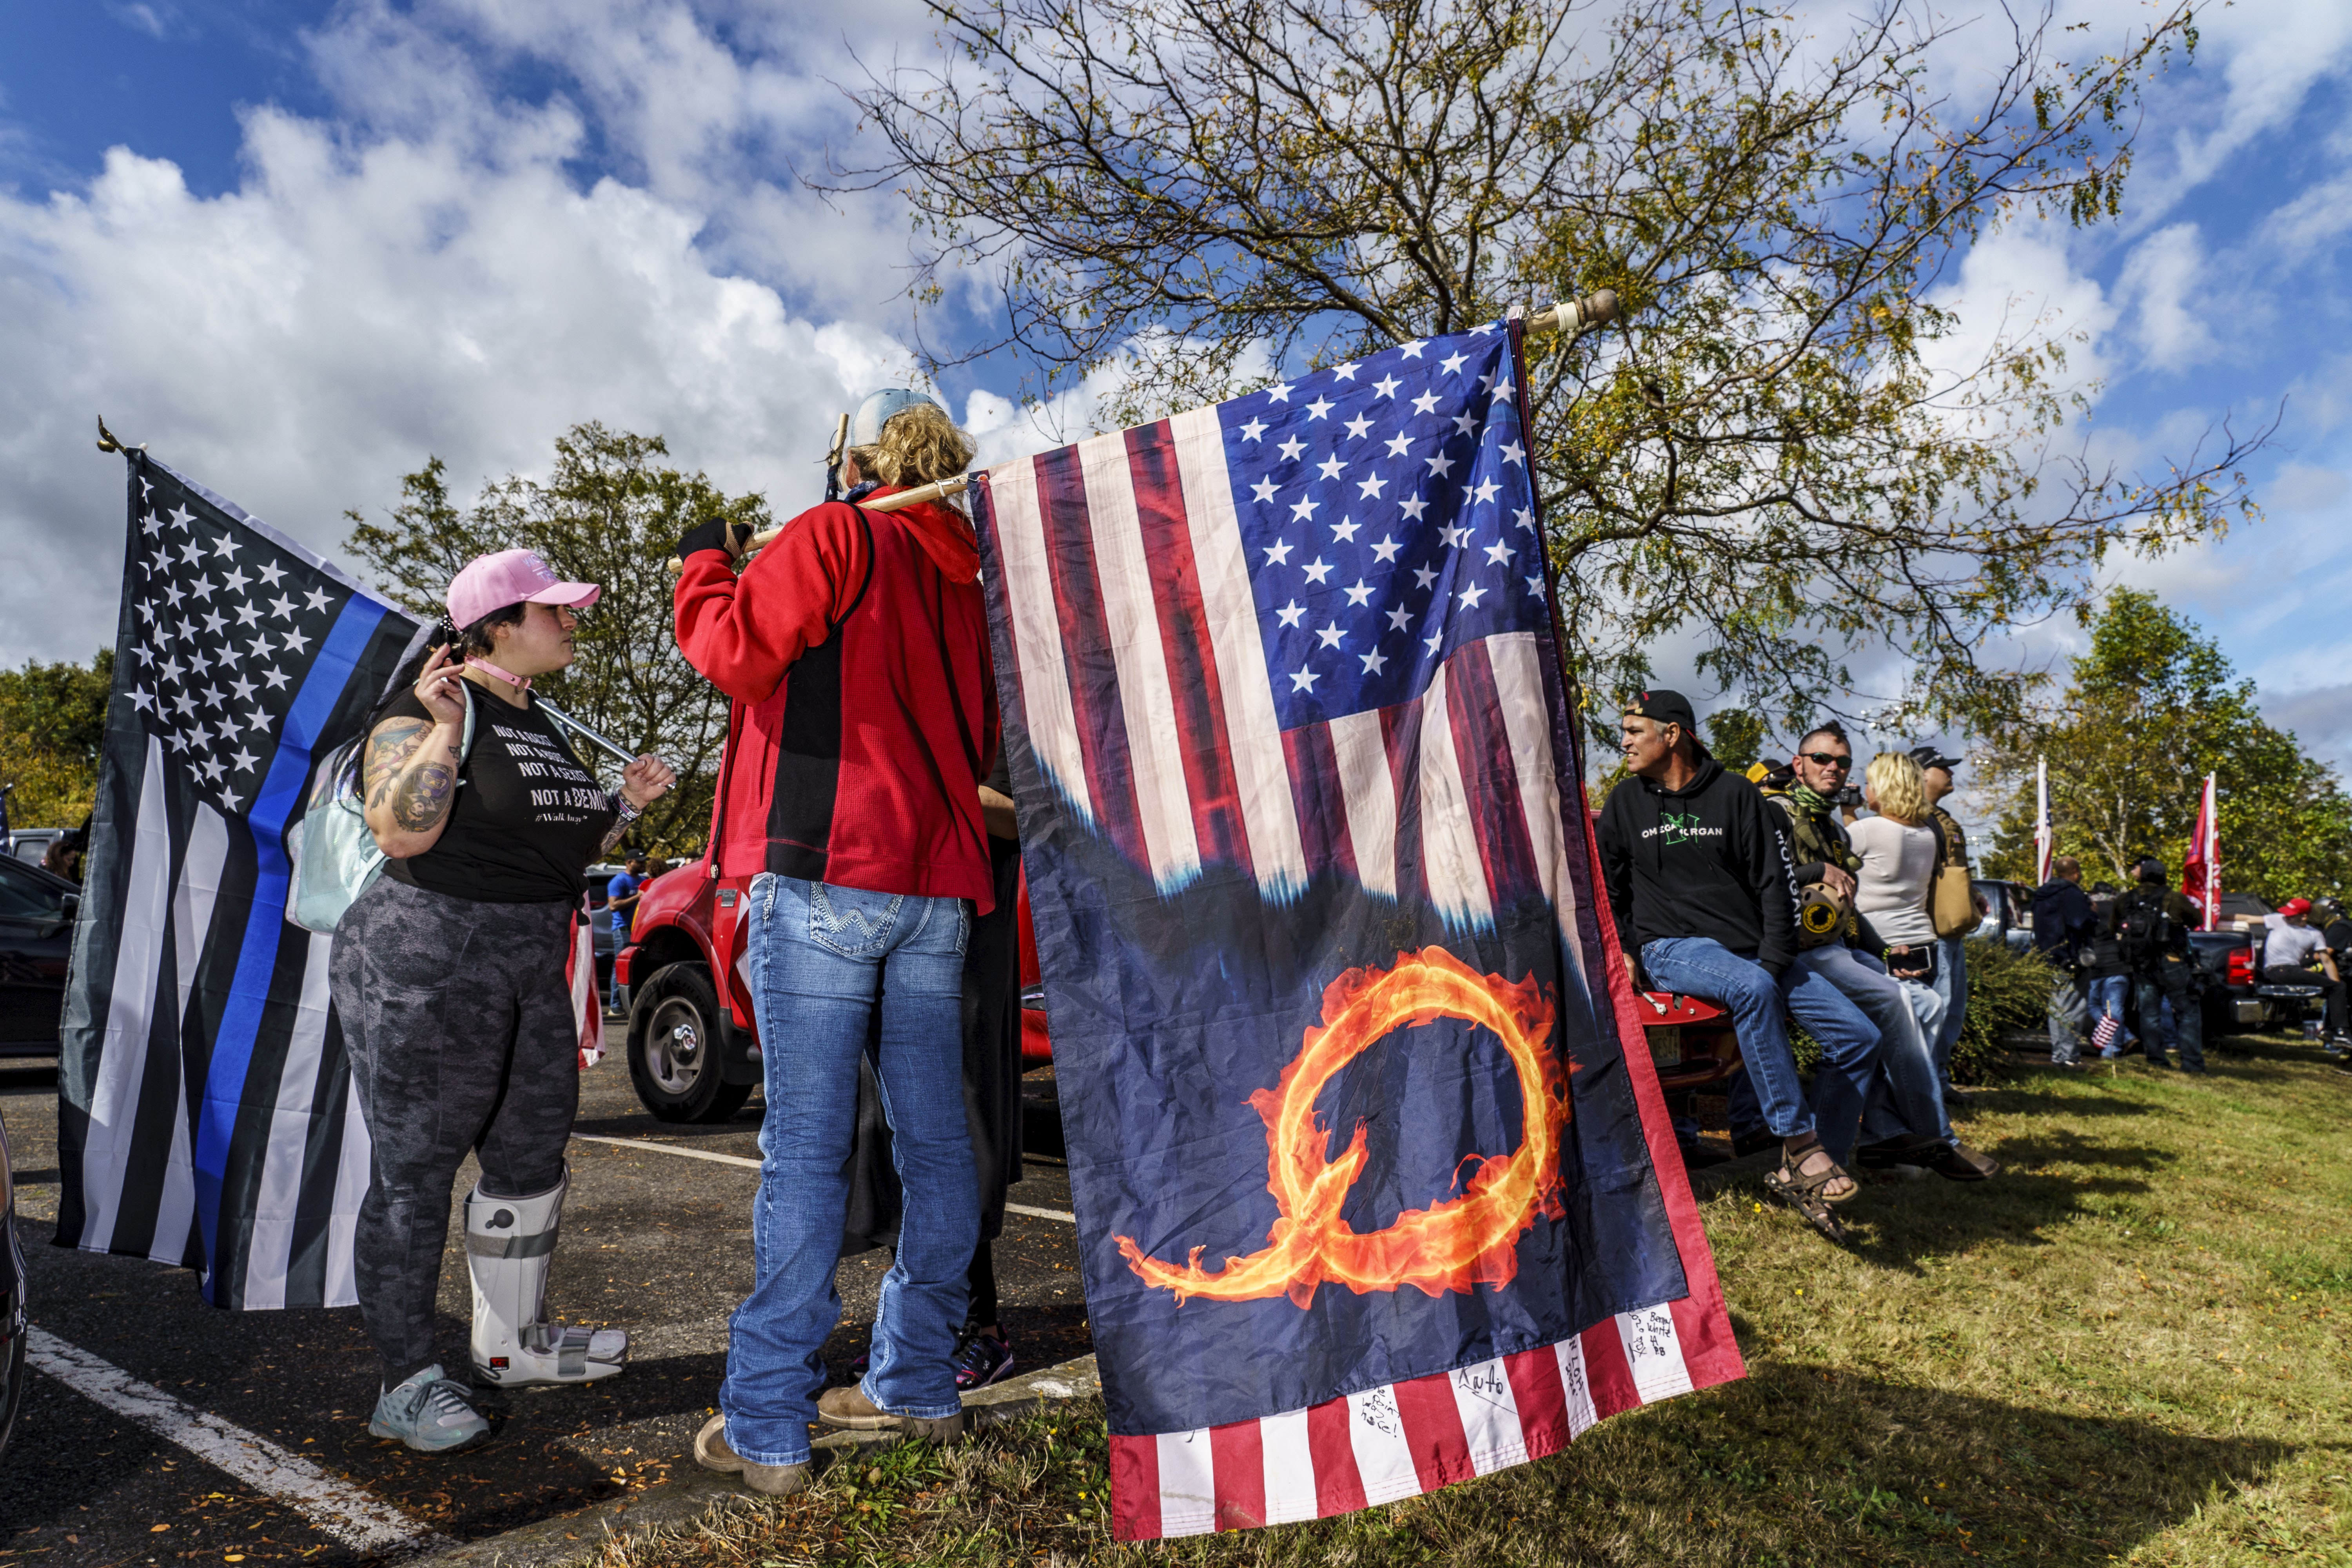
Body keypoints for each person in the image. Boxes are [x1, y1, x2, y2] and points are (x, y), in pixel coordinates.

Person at [674, 390, 997, 1497]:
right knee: (938, 1146)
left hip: (826, 868)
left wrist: (703, 565)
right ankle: (915, 1379)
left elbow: (731, 652)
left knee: (806, 1151)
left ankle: (769, 1417)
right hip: (937, 885)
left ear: (852, 460)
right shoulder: (967, 580)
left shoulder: (838, 532)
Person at [330, 549, 677, 1452]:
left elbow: (550, 837)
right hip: (429, 951)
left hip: (530, 954)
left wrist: (623, 807)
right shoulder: (431, 704)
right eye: (552, 610)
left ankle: (508, 1347)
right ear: (494, 625)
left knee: (529, 1155)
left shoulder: (541, 717)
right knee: (414, 1173)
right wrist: (445, 732)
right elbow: (401, 828)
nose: (570, 623)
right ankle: (404, 1383)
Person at [1597, 690, 1884, 1238]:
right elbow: (1608, 892)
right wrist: (1626, 951)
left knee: (1859, 1037)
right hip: (1673, 948)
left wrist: (1775, 964)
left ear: (1673, 734)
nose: (1626, 740)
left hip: (1753, 951)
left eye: (1636, 730)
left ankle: (1813, 1167)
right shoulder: (1625, 804)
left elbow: (1776, 889)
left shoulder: (1737, 796)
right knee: (1752, 988)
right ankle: (1801, 1145)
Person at [1763, 727, 1994, 1180]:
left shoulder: (1833, 825)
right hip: (1796, 952)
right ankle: (1936, 1137)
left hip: (1839, 946)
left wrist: (1885, 950)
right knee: (1894, 1003)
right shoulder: (1775, 812)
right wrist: (1817, 868)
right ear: (1799, 763)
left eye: (1843, 763)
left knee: (1926, 1001)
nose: (1834, 768)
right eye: (1822, 759)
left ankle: (1887, 1133)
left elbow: (1848, 905)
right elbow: (1762, 877)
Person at [1910, 746, 1973, 1088]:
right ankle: (1928, 1086)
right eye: (1943, 768)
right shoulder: (1913, 818)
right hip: (1931, 930)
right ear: (1921, 774)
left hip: (1951, 930)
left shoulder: (1941, 817)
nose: (1950, 774)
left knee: (1953, 1011)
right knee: (1940, 1004)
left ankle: (1939, 1080)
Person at [2111, 858, 2206, 1073]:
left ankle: (2156, 1060)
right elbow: (2197, 920)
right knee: (2188, 1012)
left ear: (2141, 876)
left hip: (2142, 964)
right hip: (2172, 962)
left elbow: (2113, 926)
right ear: (2163, 876)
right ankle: (2192, 1064)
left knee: (2149, 1014)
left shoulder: (2125, 900)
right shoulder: (2174, 898)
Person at [2031, 856, 2098, 1065]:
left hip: (2050, 957)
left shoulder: (2042, 894)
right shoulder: (2071, 893)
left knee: (2057, 1008)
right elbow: (2079, 922)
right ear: (2076, 872)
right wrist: (2092, 914)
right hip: (2072, 958)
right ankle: (2069, 1057)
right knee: (2074, 1008)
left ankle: (2058, 1056)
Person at [2261, 897, 2345, 1051]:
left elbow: (2326, 961)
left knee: (2336, 988)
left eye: (2291, 914)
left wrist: (2336, 985)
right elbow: (2247, 919)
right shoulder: (2279, 920)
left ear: (2304, 916)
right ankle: (2339, 1031)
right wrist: (2215, 916)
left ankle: (2331, 1030)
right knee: (2337, 988)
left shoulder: (2314, 934)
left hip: (2291, 970)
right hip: (2278, 970)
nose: (2287, 916)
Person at [2082, 882, 2134, 1058]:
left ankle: (2116, 1046)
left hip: (2095, 966)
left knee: (2091, 1006)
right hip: (2119, 966)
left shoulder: (2089, 909)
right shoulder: (2121, 910)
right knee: (2114, 1009)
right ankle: (2117, 1045)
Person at [606, 855, 648, 1007]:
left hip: (639, 930)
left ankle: (631, 1003)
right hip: (622, 930)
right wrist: (637, 897)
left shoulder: (643, 880)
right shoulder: (619, 881)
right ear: (629, 862)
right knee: (621, 965)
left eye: (645, 862)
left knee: (636, 966)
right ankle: (616, 1005)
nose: (644, 864)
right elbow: (614, 906)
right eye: (640, 862)